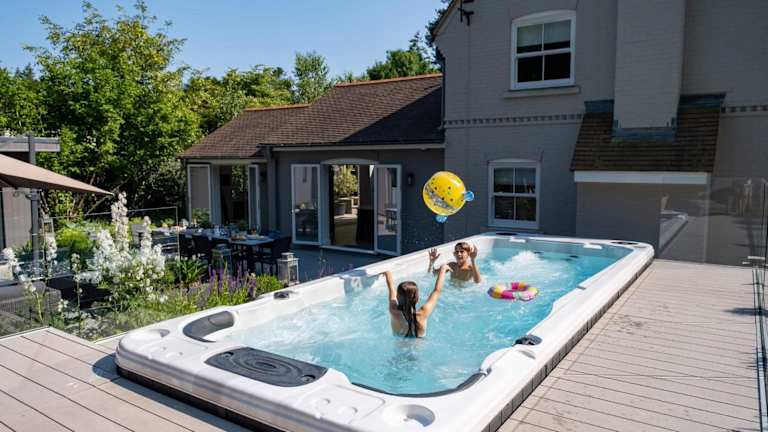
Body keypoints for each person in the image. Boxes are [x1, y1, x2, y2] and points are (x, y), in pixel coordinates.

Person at [383, 265, 449, 338]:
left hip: (399, 344)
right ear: (417, 298)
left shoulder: (394, 311)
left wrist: (387, 274)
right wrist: (443, 269)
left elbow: (392, 290)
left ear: (397, 297)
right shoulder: (423, 313)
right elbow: (437, 291)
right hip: (419, 344)